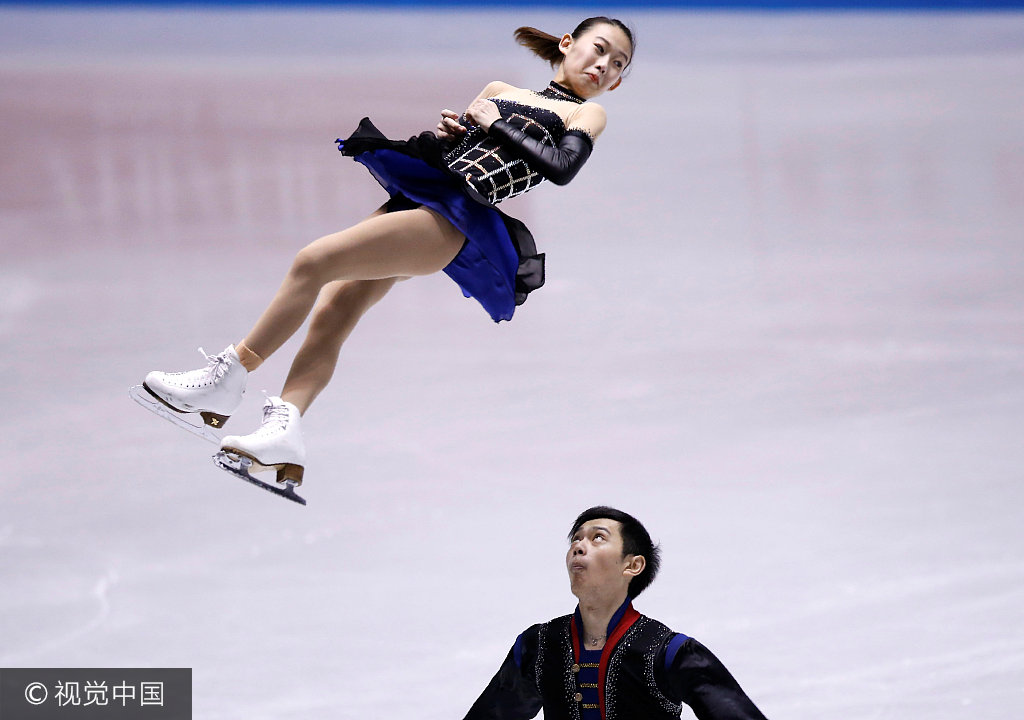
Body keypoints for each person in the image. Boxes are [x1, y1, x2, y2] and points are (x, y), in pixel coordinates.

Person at [134, 18, 635, 488]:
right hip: (420, 197)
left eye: (618, 65)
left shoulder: (587, 113)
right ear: (567, 43)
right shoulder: (499, 92)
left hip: (452, 220)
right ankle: (284, 430)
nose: (605, 66)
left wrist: (496, 125)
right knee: (336, 307)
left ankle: (227, 378)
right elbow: (456, 148)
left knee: (313, 261)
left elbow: (562, 167)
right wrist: (459, 130)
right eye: (600, 49)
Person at [463, 507, 769, 720]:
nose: (579, 547)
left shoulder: (668, 653)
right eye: (576, 540)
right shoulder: (539, 646)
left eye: (597, 538)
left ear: (632, 565)